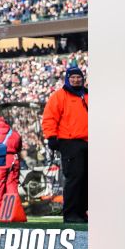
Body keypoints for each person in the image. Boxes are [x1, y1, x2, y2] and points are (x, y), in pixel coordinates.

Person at [42, 63, 88, 223]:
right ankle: (71, 214)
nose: (76, 80)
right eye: (73, 77)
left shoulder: (87, 95)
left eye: (79, 77)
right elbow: (49, 117)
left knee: (87, 179)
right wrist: (51, 137)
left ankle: (83, 212)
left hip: (87, 142)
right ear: (67, 79)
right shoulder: (59, 96)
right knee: (75, 177)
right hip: (69, 142)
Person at [0, 105, 22, 217]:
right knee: (12, 185)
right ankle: (11, 211)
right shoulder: (14, 133)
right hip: (13, 160)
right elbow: (19, 147)